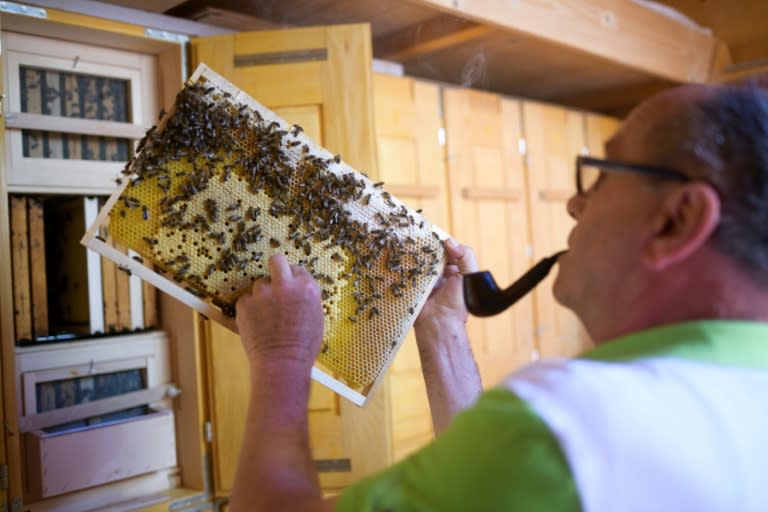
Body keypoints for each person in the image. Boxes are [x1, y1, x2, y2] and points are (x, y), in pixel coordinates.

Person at [230, 82, 768, 511]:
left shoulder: (565, 427)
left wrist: (284, 357)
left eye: (602, 175)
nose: (576, 205)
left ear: (678, 220)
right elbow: (486, 485)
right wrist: (442, 331)